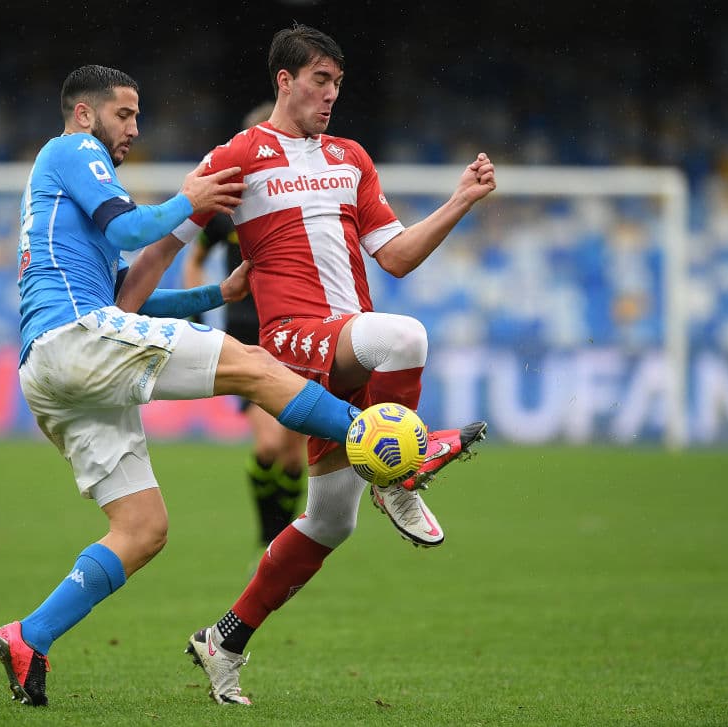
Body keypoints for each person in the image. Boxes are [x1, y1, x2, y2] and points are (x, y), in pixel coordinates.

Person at [0, 64, 387, 708]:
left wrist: (215, 293)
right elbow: (130, 231)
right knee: (253, 364)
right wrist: (192, 200)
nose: (134, 128)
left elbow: (127, 295)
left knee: (142, 528)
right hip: (77, 338)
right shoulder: (71, 150)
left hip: (56, 368)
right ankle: (383, 439)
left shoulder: (69, 202)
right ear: (86, 113)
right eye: (125, 114)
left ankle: (29, 637)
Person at [145, 24, 496, 705]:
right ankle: (403, 469)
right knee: (408, 337)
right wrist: (136, 295)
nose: (332, 94)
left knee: (331, 521)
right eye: (320, 80)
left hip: (350, 345)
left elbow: (392, 256)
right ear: (284, 80)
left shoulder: (351, 158)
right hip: (295, 344)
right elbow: (175, 231)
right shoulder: (239, 155)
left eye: (338, 83)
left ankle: (225, 638)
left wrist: (460, 200)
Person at [182, 101, 308, 550]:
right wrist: (198, 306)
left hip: (296, 331)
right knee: (269, 444)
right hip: (248, 334)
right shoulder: (226, 208)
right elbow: (193, 259)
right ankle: (269, 538)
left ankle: (282, 544)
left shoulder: (300, 203)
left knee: (294, 453)